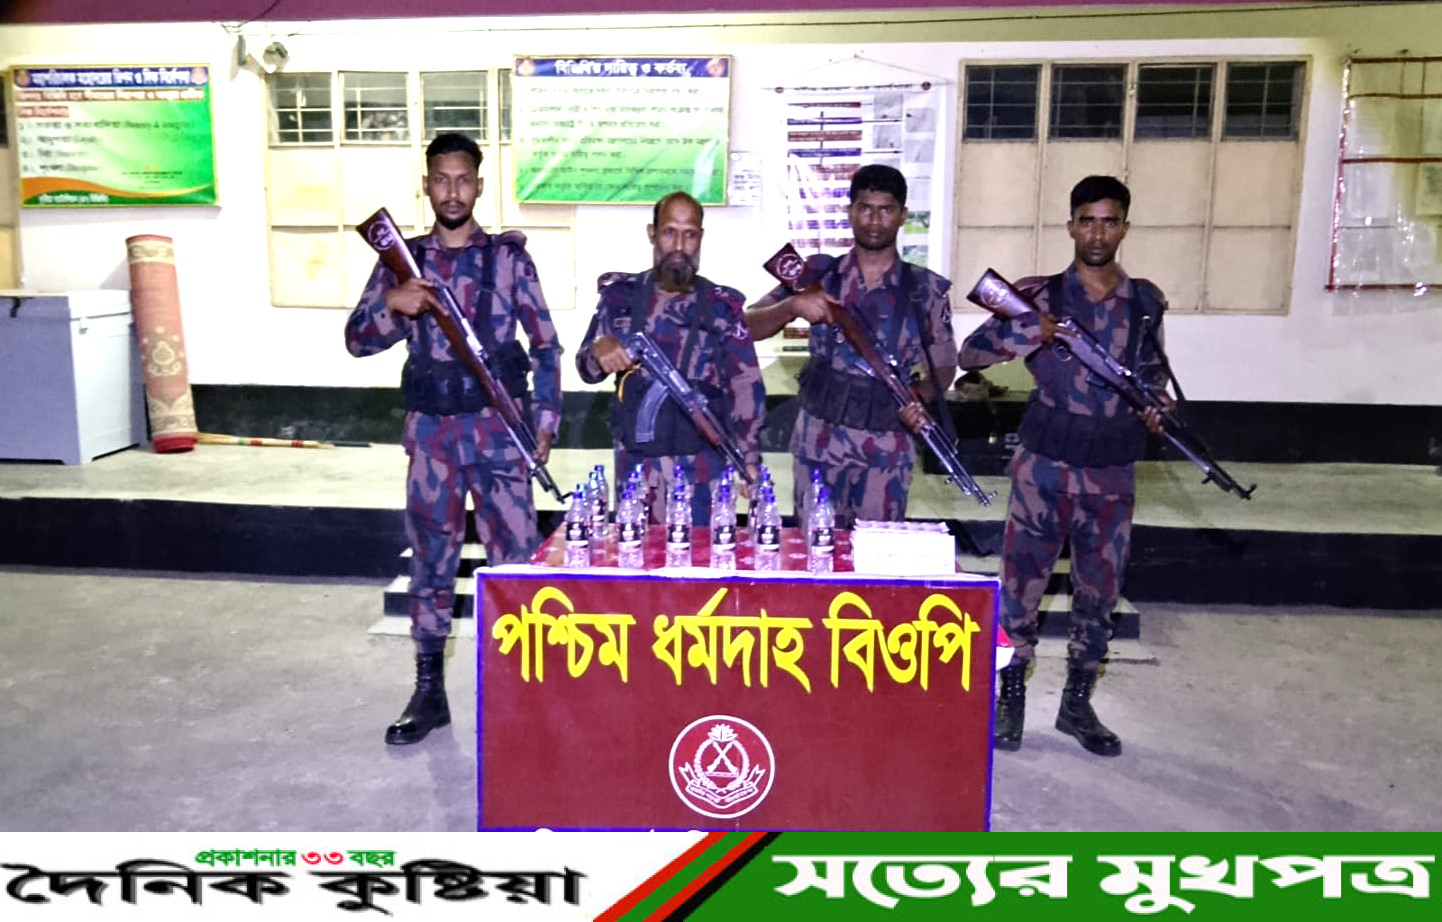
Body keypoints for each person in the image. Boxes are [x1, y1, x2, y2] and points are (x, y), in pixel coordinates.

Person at [346, 132, 562, 746]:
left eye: (463, 179)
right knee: (431, 564)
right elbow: (357, 340)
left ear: (479, 186)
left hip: (499, 435)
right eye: (441, 179)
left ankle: (525, 694)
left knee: (515, 563)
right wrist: (394, 303)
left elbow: (546, 345)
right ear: (426, 185)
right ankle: (429, 692)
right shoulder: (401, 261)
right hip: (433, 439)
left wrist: (545, 421)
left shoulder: (509, 260)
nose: (452, 191)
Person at [957, 175, 1170, 757]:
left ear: (1125, 227)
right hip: (1044, 467)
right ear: (1070, 226)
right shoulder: (1040, 296)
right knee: (1019, 589)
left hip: (1110, 471)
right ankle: (1010, 696)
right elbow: (970, 354)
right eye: (1087, 221)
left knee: (1099, 594)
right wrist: (1033, 328)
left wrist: (1159, 407)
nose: (1098, 233)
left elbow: (1152, 375)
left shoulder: (1145, 303)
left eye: (1110, 221)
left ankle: (1077, 703)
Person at [745, 164, 956, 528]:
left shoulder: (925, 290)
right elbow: (747, 325)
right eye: (865, 208)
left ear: (902, 216)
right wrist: (792, 306)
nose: (874, 220)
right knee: (814, 549)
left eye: (886, 210)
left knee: (877, 551)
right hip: (819, 443)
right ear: (850, 212)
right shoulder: (818, 275)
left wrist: (918, 400)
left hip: (887, 450)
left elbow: (944, 366)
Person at [577, 191, 764, 524]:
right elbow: (586, 369)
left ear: (701, 238)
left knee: (703, 556)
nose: (679, 246)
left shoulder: (721, 308)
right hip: (637, 473)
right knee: (636, 555)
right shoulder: (620, 298)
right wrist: (598, 349)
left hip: (702, 474)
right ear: (652, 234)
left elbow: (745, 384)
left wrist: (748, 458)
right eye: (669, 232)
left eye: (689, 235)